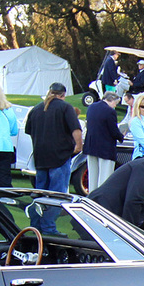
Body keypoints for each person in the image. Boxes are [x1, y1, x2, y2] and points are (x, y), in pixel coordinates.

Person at [24, 83, 83, 232]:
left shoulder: (36, 109)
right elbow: (76, 129)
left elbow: (29, 131)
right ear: (63, 95)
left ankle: (35, 225)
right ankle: (49, 227)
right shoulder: (65, 108)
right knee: (56, 195)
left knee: (40, 193)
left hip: (41, 157)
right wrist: (78, 146)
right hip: (60, 156)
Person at [84, 91, 123, 191]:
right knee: (105, 176)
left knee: (93, 175)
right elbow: (113, 130)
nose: (115, 106)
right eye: (115, 103)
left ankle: (92, 196)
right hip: (105, 147)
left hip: (91, 145)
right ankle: (101, 198)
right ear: (111, 100)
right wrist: (121, 137)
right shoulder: (109, 111)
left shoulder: (91, 107)